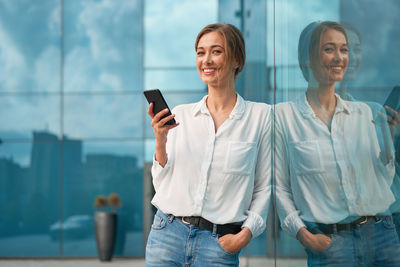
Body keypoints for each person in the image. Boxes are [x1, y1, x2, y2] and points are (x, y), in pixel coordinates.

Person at [145, 23, 271, 267]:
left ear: (237, 60)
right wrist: (160, 140)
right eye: (200, 52)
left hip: (219, 244)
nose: (206, 60)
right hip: (167, 236)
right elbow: (161, 183)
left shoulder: (260, 117)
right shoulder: (180, 116)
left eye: (216, 51)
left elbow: (264, 187)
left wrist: (244, 236)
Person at [275, 21, 400, 266]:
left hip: (381, 235)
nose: (340, 57)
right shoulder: (284, 116)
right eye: (329, 49)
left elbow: (382, 180)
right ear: (307, 57)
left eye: (344, 50)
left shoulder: (365, 114)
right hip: (331, 242)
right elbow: (280, 188)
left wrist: (388, 144)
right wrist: (303, 234)